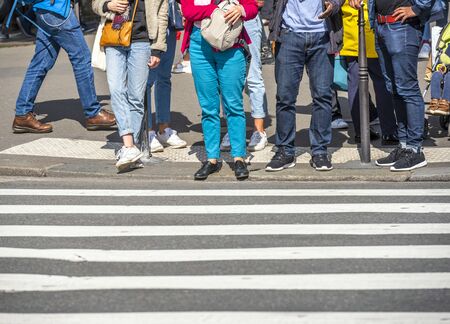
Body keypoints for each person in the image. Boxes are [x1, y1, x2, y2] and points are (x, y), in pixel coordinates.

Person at [350, 0, 443, 171]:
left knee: (407, 89)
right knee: (394, 89)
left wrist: (416, 9)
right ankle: (404, 145)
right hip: (381, 25)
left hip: (402, 26)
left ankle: (415, 150)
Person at [180, 0, 258, 180]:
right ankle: (212, 159)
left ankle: (239, 157)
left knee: (234, 105)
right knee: (208, 107)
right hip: (200, 45)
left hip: (231, 45)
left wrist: (241, 9)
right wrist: (215, 10)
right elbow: (188, 11)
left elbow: (253, 8)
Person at [12, 0, 116, 134]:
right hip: (57, 11)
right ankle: (93, 113)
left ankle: (22, 114)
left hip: (45, 11)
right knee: (82, 58)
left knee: (41, 62)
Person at [266, 0, 344, 172]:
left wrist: (334, 4)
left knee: (323, 96)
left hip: (322, 36)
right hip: (289, 35)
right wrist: (271, 19)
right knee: (285, 97)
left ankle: (320, 151)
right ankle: (285, 150)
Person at [93, 0, 168, 171]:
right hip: (114, 37)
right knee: (117, 90)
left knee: (136, 98)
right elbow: (96, 4)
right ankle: (129, 145)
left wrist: (157, 48)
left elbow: (162, 15)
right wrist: (108, 6)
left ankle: (130, 149)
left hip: (142, 42)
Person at [340, 0, 398, 145]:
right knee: (382, 83)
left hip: (351, 32)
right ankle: (389, 131)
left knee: (355, 84)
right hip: (371, 29)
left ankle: (361, 132)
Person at [220, 14, 269, 153]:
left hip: (248, 19)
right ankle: (232, 130)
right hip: (223, 19)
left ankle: (259, 131)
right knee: (227, 77)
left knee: (253, 76)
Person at [146, 0, 187, 153]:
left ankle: (164, 129)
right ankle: (147, 131)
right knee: (148, 80)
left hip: (169, 18)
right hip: (151, 18)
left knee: (164, 77)